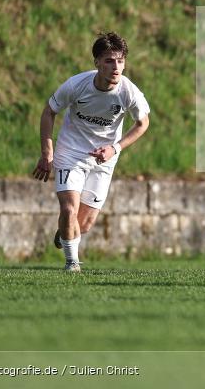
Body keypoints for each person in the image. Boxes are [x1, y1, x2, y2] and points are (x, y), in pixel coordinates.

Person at [32, 32, 151, 272]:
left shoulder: (129, 92)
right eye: (109, 61)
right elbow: (49, 111)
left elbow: (143, 123)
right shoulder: (76, 85)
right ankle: (72, 263)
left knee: (83, 225)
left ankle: (65, 232)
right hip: (71, 153)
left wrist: (114, 148)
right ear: (97, 62)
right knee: (69, 209)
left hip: (104, 159)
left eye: (120, 61)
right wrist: (47, 152)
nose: (116, 67)